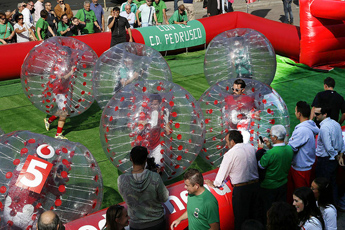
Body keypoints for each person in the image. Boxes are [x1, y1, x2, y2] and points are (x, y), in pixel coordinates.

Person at [205, 130, 259, 230]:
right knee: (255, 218)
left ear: (232, 141)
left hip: (241, 191)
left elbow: (222, 174)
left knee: (240, 220)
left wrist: (214, 184)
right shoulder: (251, 148)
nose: (226, 144)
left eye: (227, 142)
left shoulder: (230, 154)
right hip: (255, 187)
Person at [117, 146, 169, 230]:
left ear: (131, 158)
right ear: (145, 159)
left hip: (136, 224)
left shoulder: (121, 179)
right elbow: (164, 198)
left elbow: (126, 197)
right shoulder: (155, 177)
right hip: (157, 222)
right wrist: (158, 178)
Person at [257, 125, 293, 224]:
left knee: (268, 212)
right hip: (283, 184)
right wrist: (269, 146)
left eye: (271, 135)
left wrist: (260, 149)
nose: (270, 137)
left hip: (269, 187)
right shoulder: (289, 149)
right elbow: (278, 154)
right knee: (280, 210)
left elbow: (261, 165)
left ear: (275, 138)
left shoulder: (271, 153)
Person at [288, 101, 319, 202]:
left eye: (296, 110)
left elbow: (290, 148)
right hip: (306, 166)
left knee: (301, 196)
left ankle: (303, 215)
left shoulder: (302, 130)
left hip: (300, 168)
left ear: (299, 113)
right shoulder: (310, 126)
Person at [314, 106, 345, 205]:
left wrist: (337, 156)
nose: (315, 116)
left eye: (317, 114)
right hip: (332, 161)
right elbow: (341, 142)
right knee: (333, 184)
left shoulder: (324, 128)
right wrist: (340, 155)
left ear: (325, 114)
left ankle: (324, 209)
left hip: (325, 161)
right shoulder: (336, 124)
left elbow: (329, 147)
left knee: (322, 187)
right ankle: (334, 206)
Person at [44, 48, 75, 139]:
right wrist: (71, 72)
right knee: (64, 112)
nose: (67, 57)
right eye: (65, 55)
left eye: (68, 55)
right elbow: (62, 78)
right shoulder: (58, 65)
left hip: (66, 89)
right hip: (58, 91)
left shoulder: (70, 63)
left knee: (64, 111)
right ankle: (58, 134)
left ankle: (49, 120)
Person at [136, 94, 171, 168]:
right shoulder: (144, 111)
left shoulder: (163, 112)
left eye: (155, 105)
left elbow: (168, 132)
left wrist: (165, 119)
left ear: (160, 104)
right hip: (144, 145)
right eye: (151, 104)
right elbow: (138, 129)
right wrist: (146, 121)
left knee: (159, 166)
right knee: (143, 168)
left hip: (156, 145)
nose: (152, 106)